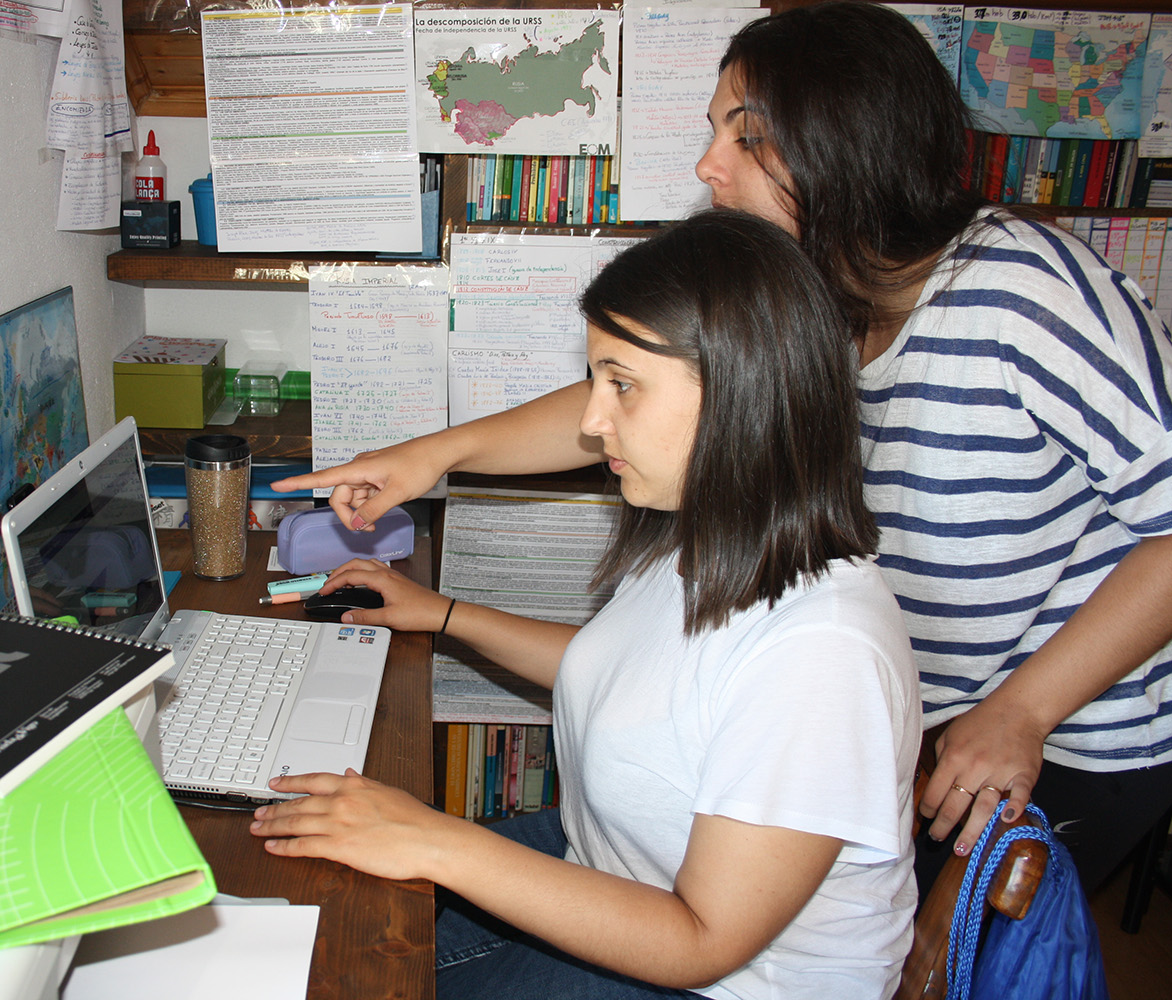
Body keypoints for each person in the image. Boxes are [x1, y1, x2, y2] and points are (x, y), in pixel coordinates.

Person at [274, 0, 1172, 896]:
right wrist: (432, 454)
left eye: (746, 139)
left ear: (849, 139)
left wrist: (1027, 709)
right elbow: (634, 395)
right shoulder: (814, 292)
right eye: (715, 133)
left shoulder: (1023, 294)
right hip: (926, 712)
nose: (709, 167)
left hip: (1071, 727)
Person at [253, 211, 921, 1000]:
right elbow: (628, 682)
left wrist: (435, 841)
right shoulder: (704, 533)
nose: (589, 420)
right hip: (611, 866)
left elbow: (701, 941)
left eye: (623, 385)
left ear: (742, 392)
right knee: (331, 936)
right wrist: (439, 613)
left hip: (707, 977)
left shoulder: (822, 654)